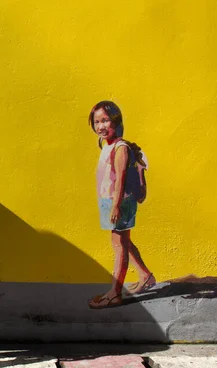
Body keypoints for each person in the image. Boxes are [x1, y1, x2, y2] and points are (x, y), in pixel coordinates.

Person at [87, 100, 156, 309]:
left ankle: (115, 292)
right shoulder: (106, 145)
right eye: (97, 122)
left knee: (119, 246)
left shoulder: (121, 148)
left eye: (106, 120)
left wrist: (116, 206)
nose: (101, 126)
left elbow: (121, 179)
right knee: (122, 242)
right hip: (109, 200)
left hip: (119, 201)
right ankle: (145, 276)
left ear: (116, 121)